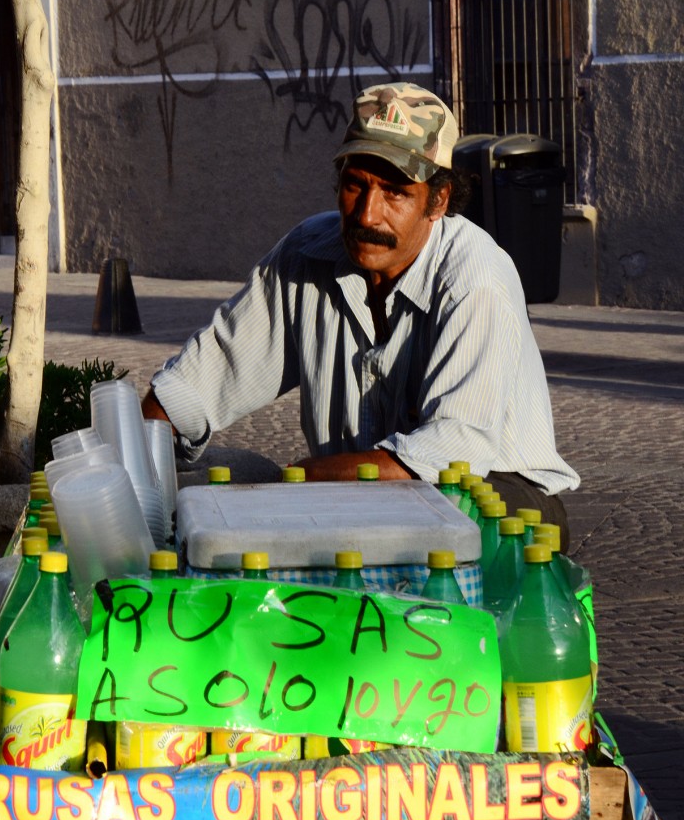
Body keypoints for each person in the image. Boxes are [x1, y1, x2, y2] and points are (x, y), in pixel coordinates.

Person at [142, 81, 579, 545]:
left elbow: (449, 457)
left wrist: (306, 480)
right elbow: (201, 379)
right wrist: (133, 458)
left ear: (438, 200)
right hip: (359, 496)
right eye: (355, 185)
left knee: (447, 508)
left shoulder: (475, 281)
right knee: (201, 485)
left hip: (498, 498)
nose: (367, 215)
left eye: (394, 193)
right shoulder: (306, 255)